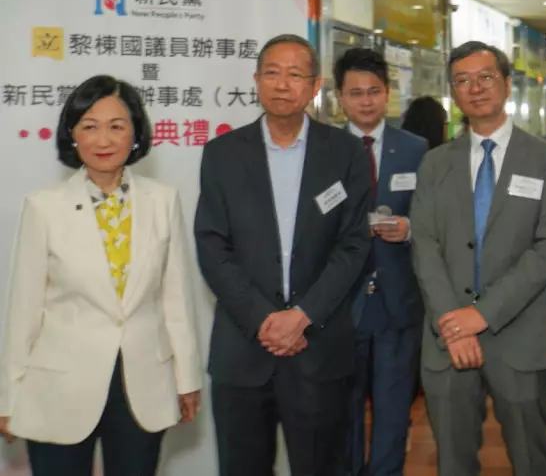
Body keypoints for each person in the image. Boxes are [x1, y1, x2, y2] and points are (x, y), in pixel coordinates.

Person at [0, 75, 202, 476]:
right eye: (89, 127)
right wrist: (7, 396)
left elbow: (176, 298)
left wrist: (187, 378)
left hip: (142, 385)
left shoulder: (163, 201)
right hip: (59, 386)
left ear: (135, 133)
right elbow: (24, 310)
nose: (103, 140)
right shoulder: (44, 207)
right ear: (72, 135)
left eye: (116, 126)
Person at [195, 34, 373, 476]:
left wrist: (302, 316)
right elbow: (212, 246)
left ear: (314, 86)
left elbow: (353, 244)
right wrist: (263, 319)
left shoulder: (346, 152)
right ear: (256, 81)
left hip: (318, 348)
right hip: (243, 349)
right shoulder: (222, 154)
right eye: (272, 73)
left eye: (295, 74)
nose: (282, 84)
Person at [410, 41, 546, 476]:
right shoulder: (435, 164)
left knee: (532, 459)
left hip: (519, 338)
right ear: (453, 92)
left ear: (506, 83)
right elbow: (425, 246)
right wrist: (454, 322)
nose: (475, 88)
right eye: (462, 81)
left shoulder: (544, 158)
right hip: (447, 340)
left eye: (485, 77)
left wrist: (480, 315)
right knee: (453, 462)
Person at [335, 48, 428, 476]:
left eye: (374, 91)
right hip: (341, 303)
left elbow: (434, 219)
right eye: (355, 93)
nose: (366, 101)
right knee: (345, 411)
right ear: (340, 97)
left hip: (398, 300)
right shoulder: (325, 149)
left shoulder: (416, 149)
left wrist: (410, 229)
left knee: (393, 410)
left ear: (387, 93)